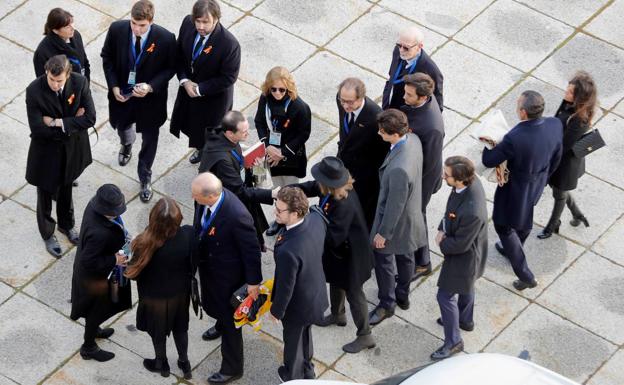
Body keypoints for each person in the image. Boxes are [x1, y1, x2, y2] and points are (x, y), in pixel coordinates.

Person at [293, 157, 375, 353]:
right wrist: (291, 191)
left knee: (355, 294)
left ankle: (365, 335)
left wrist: (308, 223)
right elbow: (312, 187)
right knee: (336, 281)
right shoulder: (331, 190)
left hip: (352, 257)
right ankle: (338, 314)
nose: (318, 182)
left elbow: (333, 237)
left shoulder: (343, 204)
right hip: (339, 255)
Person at [482, 91, 563, 291]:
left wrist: (487, 141)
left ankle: (525, 275)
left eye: (518, 106)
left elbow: (488, 160)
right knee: (524, 218)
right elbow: (557, 156)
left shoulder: (515, 137)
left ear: (524, 113)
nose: (517, 109)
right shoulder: (555, 125)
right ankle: (513, 247)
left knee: (503, 225)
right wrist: (544, 179)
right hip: (538, 182)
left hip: (516, 189)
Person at [101, 0, 176, 202]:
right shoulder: (117, 30)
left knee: (150, 140)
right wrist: (113, 85)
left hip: (150, 101)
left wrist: (150, 87)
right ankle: (126, 144)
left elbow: (170, 68)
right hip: (122, 95)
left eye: (142, 25)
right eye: (134, 23)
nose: (136, 29)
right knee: (122, 126)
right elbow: (106, 58)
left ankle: (145, 176)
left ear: (151, 22)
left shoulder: (166, 38)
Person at [191, 172, 262, 384]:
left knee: (232, 323)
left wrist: (253, 283)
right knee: (218, 308)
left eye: (196, 196)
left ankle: (232, 368)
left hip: (229, 276)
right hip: (212, 269)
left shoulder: (236, 215)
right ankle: (221, 324)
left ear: (211, 196)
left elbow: (251, 251)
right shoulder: (203, 201)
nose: (193, 199)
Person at [25, 54, 95, 257]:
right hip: (46, 152)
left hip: (72, 150)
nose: (55, 85)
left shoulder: (79, 83)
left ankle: (67, 225)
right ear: (46, 72)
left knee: (66, 187)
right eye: (51, 80)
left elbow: (90, 117)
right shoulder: (34, 91)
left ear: (67, 75)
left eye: (59, 81)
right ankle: (47, 233)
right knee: (45, 193)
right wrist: (73, 121)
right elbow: (38, 129)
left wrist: (58, 122)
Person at [124, 197, 195, 379]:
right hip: (179, 296)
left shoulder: (143, 244)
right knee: (181, 329)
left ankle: (161, 364)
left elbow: (134, 274)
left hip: (153, 299)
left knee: (158, 332)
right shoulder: (188, 235)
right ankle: (184, 364)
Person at [368, 109, 426, 326]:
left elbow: (394, 205)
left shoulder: (399, 169)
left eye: (382, 132)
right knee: (406, 256)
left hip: (396, 223)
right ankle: (403, 294)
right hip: (411, 218)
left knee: (384, 262)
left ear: (393, 134)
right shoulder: (413, 139)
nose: (379, 134)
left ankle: (387, 303)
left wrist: (383, 233)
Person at [170, 0, 241, 164]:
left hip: (213, 99)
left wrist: (200, 89)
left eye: (205, 22)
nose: (200, 26)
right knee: (192, 127)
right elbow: (178, 54)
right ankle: (200, 148)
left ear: (216, 19)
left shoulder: (229, 44)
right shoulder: (188, 24)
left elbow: (229, 77)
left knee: (210, 134)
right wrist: (184, 80)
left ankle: (207, 154)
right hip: (188, 90)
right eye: (198, 21)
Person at [432, 156, 487, 360]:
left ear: (461, 179)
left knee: (444, 296)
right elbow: (451, 212)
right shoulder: (469, 184)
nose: (443, 176)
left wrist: (441, 240)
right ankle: (465, 320)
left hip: (465, 258)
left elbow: (460, 245)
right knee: (467, 287)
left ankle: (454, 341)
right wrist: (443, 225)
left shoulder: (472, 211)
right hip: (470, 250)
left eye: (446, 175)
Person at [199, 111, 279, 251]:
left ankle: (257, 242)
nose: (247, 134)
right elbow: (240, 192)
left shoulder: (226, 138)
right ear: (230, 133)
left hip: (238, 190)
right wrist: (271, 194)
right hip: (230, 203)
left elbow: (239, 164)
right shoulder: (222, 162)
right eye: (244, 132)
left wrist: (255, 167)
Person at [270, 187, 328, 382]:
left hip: (298, 305)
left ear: (295, 213)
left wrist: (276, 311)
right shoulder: (315, 220)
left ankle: (292, 376)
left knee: (293, 343)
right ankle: (307, 367)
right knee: (305, 334)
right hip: (315, 295)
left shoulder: (289, 250)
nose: (275, 213)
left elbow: (287, 286)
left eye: (279, 211)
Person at [70, 184, 131, 362]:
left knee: (97, 311)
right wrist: (114, 260)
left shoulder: (93, 206)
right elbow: (88, 261)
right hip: (95, 279)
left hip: (97, 274)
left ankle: (95, 329)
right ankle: (88, 347)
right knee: (95, 311)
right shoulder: (98, 233)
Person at [538, 71, 596, 239]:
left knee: (559, 194)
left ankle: (552, 225)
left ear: (579, 97)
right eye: (567, 89)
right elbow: (557, 122)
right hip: (559, 158)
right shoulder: (568, 104)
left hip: (566, 164)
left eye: (570, 92)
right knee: (559, 191)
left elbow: (563, 147)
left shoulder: (580, 120)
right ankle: (577, 214)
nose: (566, 93)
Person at [255, 66, 311, 235]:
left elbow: (303, 134)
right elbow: (259, 122)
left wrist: (282, 153)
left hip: (290, 157)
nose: (277, 93)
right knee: (278, 191)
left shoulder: (299, 107)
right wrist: (268, 146)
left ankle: (297, 223)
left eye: (282, 89)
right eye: (274, 89)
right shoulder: (265, 100)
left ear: (289, 87)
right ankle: (280, 221)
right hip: (271, 153)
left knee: (293, 192)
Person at [401, 73, 445, 282]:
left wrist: (413, 187)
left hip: (422, 179)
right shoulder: (422, 101)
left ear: (422, 97)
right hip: (416, 171)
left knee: (416, 216)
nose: (404, 97)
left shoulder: (432, 127)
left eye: (409, 95)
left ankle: (423, 262)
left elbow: (430, 162)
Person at [336, 77, 388, 229]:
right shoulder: (342, 101)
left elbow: (381, 154)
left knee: (361, 212)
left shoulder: (375, 117)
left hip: (364, 176)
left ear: (361, 98)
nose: (345, 105)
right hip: (345, 163)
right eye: (342, 100)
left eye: (350, 102)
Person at [382, 26, 443, 111]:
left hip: (406, 112)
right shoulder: (397, 50)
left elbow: (437, 105)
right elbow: (391, 75)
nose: (401, 50)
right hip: (389, 103)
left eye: (406, 48)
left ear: (419, 46)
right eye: (399, 45)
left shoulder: (430, 70)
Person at [34, 8, 90, 81]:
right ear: (55, 30)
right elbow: (43, 81)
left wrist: (86, 83)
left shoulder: (76, 35)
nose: (73, 28)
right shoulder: (42, 52)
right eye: (67, 27)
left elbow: (84, 62)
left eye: (72, 22)